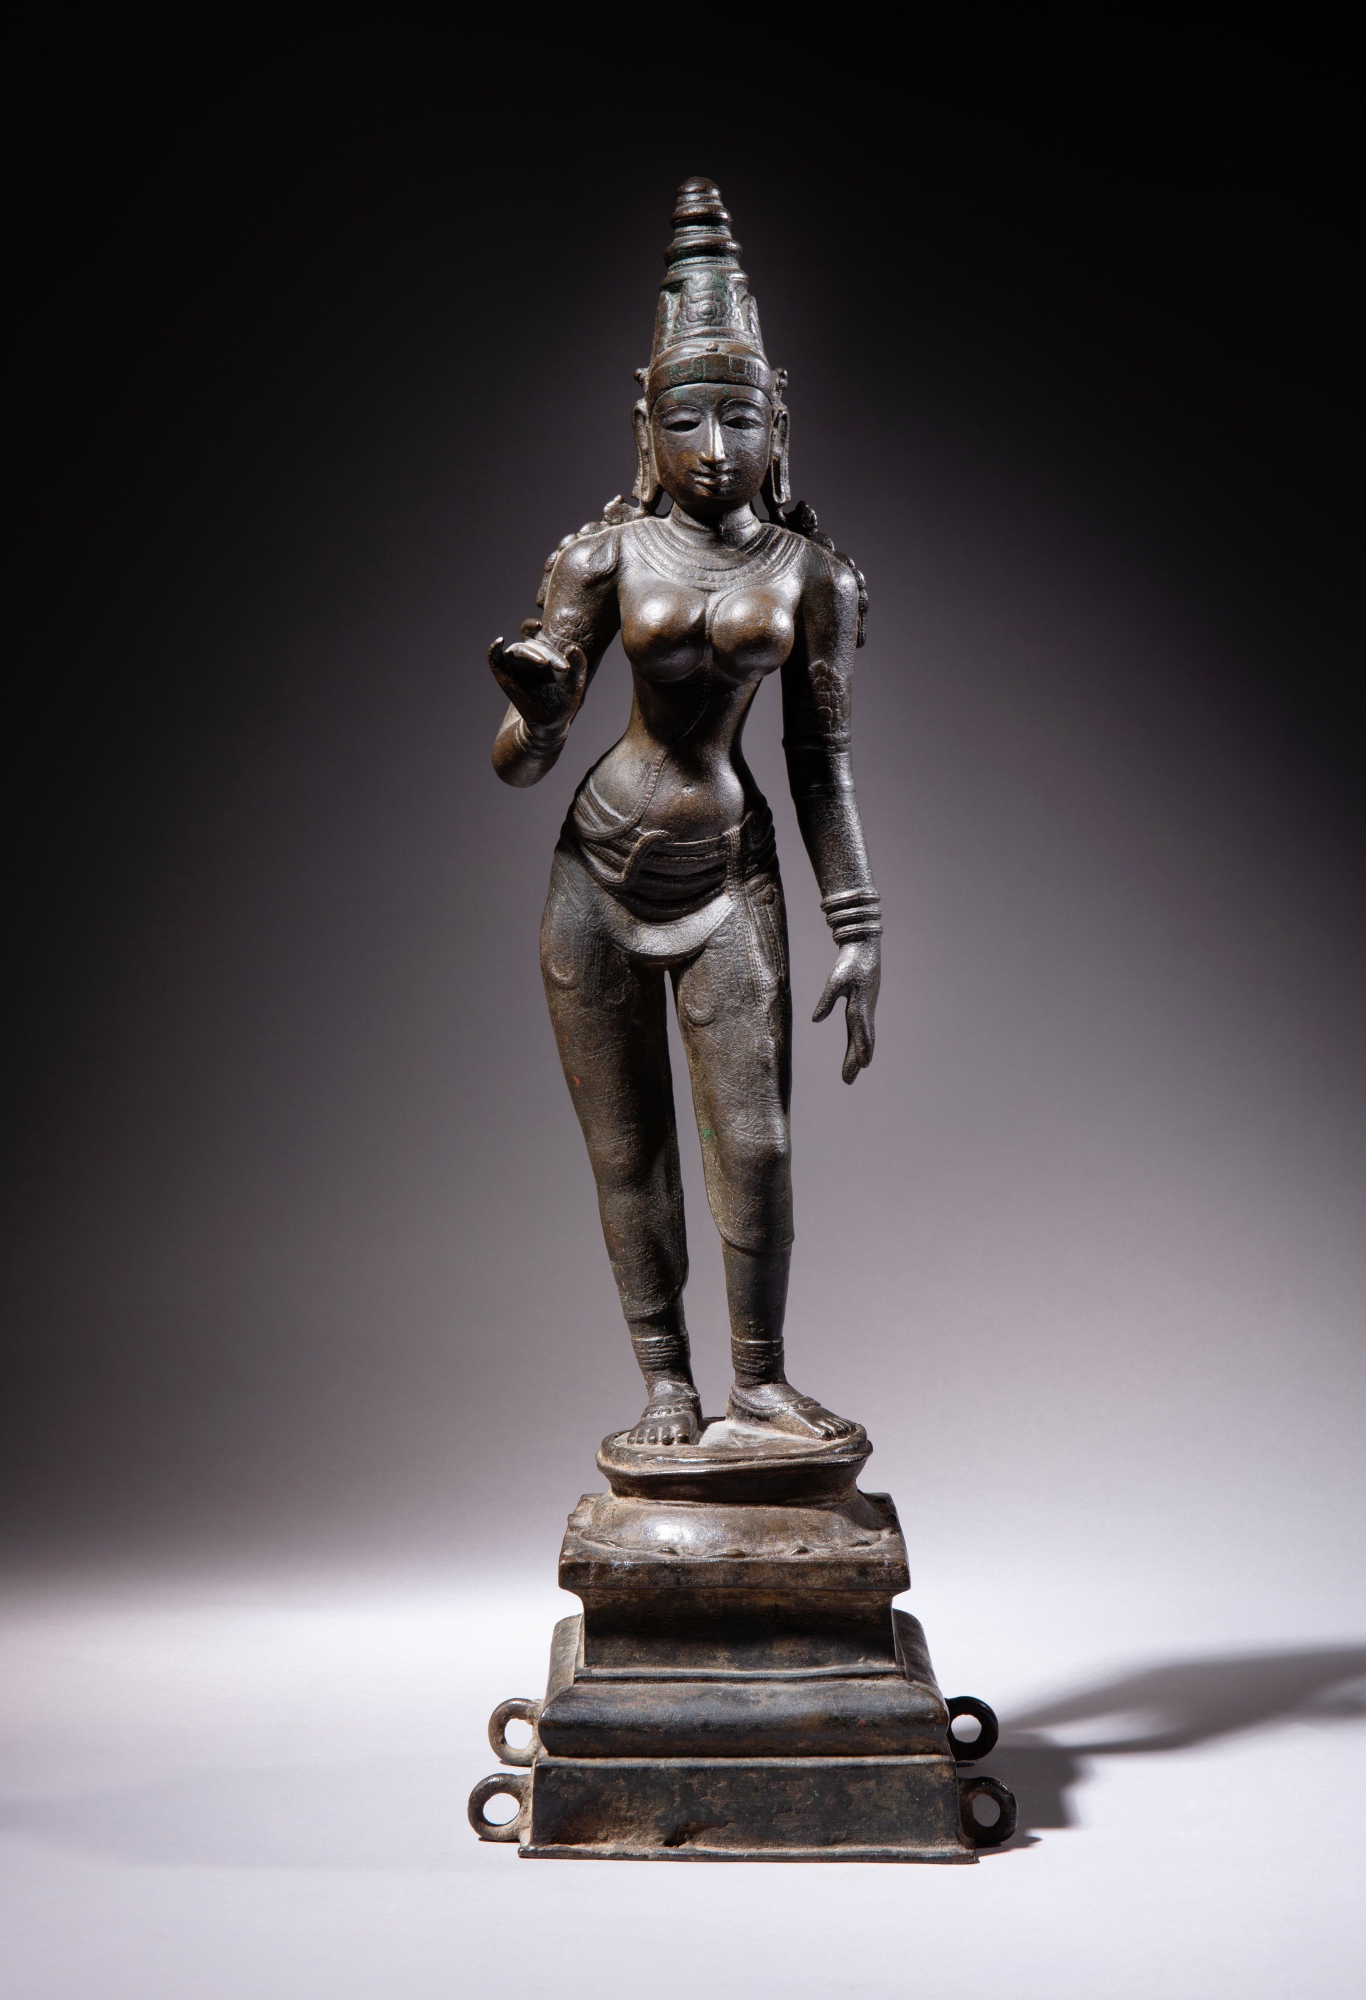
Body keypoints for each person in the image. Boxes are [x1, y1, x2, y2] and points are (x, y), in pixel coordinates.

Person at [487, 179, 881, 1447]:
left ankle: (758, 1380)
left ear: (781, 422)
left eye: (741, 417)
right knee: (628, 1153)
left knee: (753, 1145)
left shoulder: (812, 578)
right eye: (686, 417)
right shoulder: (601, 557)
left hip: (726, 875)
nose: (715, 446)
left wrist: (855, 921)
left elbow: (820, 759)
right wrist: (540, 714)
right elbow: (517, 764)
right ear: (643, 424)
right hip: (594, 876)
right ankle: (665, 1382)